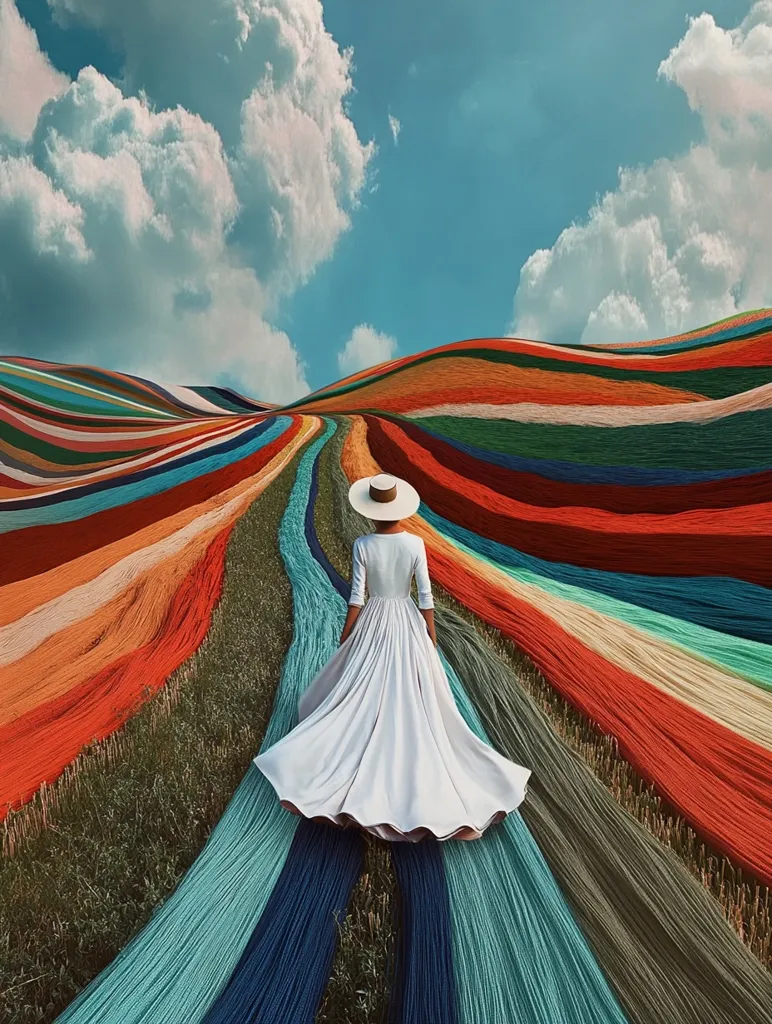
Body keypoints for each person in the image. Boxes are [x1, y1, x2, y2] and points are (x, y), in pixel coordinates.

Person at [253, 473, 531, 842]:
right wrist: (429, 633)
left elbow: (357, 595)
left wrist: (348, 632)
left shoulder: (363, 544)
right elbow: (425, 596)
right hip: (406, 620)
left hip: (375, 618)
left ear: (371, 511)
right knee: (416, 685)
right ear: (399, 509)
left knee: (363, 680)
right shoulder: (415, 544)